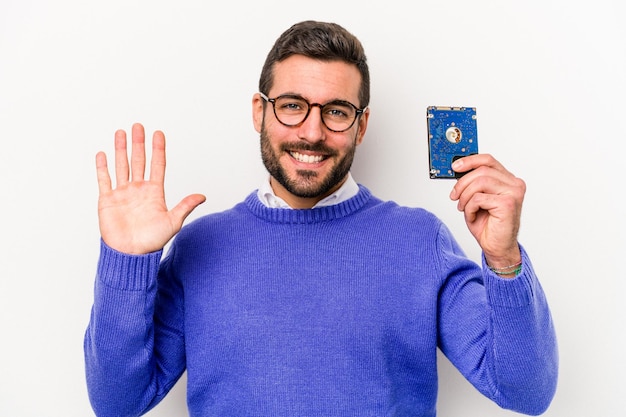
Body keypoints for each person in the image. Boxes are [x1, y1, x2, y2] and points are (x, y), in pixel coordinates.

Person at [84, 20, 558, 417]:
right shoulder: (200, 246)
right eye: (292, 106)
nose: (312, 133)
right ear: (259, 111)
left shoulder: (419, 241)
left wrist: (503, 258)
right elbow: (117, 402)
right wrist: (127, 262)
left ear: (361, 124)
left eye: (336, 111)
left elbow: (526, 392)